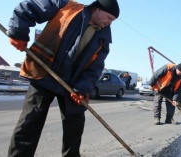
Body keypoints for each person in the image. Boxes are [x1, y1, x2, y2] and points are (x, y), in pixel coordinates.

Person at [6, 0, 120, 156]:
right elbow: (29, 7)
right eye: (109, 18)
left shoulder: (104, 37)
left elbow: (96, 67)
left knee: (75, 127)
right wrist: (18, 32)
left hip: (73, 85)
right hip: (44, 73)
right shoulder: (67, 6)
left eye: (112, 21)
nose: (109, 23)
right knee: (30, 123)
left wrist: (81, 88)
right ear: (97, 9)